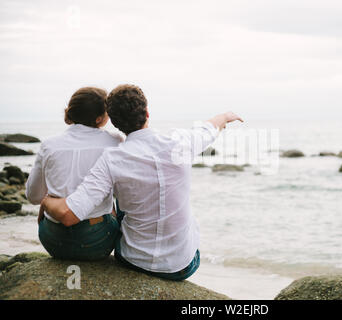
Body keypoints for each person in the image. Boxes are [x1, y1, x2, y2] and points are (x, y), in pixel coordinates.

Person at [41, 84, 243, 280]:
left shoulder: (112, 159)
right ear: (147, 113)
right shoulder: (181, 141)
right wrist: (225, 117)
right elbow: (209, 128)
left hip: (132, 260)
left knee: (117, 196)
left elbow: (69, 215)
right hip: (181, 266)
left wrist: (46, 202)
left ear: (115, 123)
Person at [26, 87, 122, 261]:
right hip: (98, 240)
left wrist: (49, 200)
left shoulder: (49, 145)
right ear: (99, 118)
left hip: (54, 241)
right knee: (119, 202)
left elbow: (33, 196)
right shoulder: (114, 141)